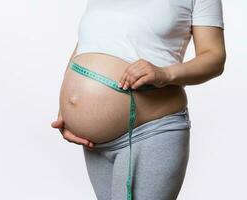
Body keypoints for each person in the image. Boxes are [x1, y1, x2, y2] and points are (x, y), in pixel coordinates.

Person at [51, 0, 226, 199]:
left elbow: (214, 57)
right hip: (95, 143)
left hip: (148, 131)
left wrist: (165, 74)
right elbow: (88, 43)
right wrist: (65, 108)